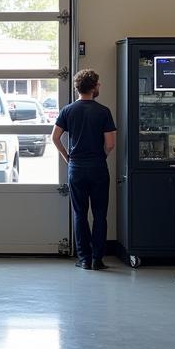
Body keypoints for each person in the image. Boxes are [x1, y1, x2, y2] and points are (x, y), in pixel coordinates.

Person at [52, 69, 117, 270]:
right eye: (98, 84)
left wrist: (68, 158)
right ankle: (98, 259)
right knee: (99, 214)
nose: (99, 87)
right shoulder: (103, 111)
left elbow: (55, 137)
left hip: (76, 168)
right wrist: (101, 156)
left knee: (80, 213)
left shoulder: (68, 110)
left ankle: (84, 259)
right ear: (94, 87)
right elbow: (110, 143)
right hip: (97, 167)